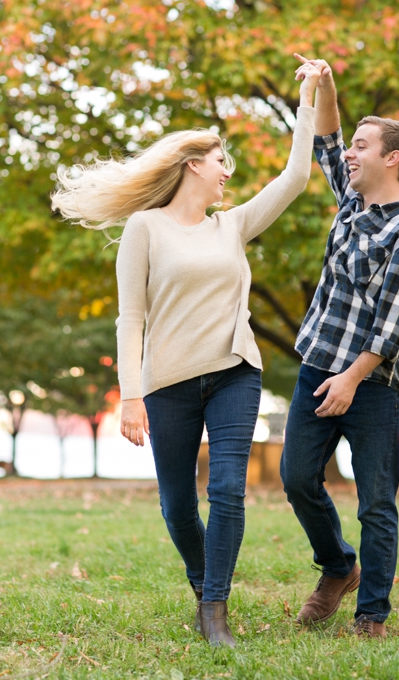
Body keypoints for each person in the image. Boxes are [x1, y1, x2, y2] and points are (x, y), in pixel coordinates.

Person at [50, 57, 324, 647]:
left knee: (227, 489)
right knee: (177, 505)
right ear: (194, 163)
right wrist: (130, 396)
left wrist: (308, 100)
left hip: (234, 372)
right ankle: (203, 586)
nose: (229, 171)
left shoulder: (232, 226)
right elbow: (132, 318)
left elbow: (295, 179)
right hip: (168, 381)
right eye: (222, 160)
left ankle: (216, 610)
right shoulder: (145, 229)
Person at [280, 55, 399, 639]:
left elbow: (392, 329)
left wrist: (350, 379)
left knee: (376, 502)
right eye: (354, 145)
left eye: (363, 146)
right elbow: (327, 130)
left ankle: (372, 614)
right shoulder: (350, 200)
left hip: (371, 388)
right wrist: (325, 80)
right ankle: (339, 566)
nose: (351, 152)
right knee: (297, 479)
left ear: (391, 158)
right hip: (315, 368)